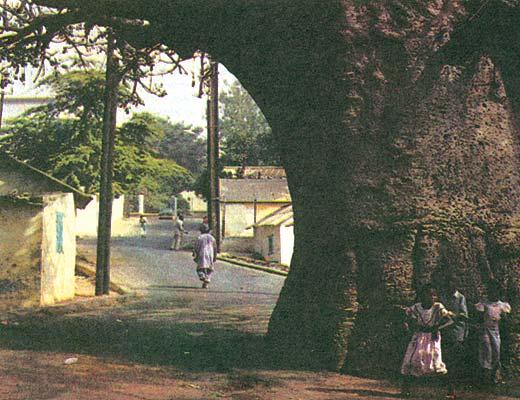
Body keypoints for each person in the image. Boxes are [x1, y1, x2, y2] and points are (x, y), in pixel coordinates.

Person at [401, 284, 453, 397]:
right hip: (418, 336)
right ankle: (406, 390)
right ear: (422, 295)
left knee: (436, 362)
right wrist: (408, 327)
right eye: (429, 294)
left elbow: (450, 321)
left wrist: (437, 328)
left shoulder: (438, 307)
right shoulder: (416, 307)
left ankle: (450, 391)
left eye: (434, 295)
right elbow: (405, 317)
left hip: (432, 337)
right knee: (410, 360)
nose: (432, 297)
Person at [475, 280, 511, 386]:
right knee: (486, 351)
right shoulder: (484, 304)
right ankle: (485, 377)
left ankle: (495, 376)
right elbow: (479, 318)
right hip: (485, 330)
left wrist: (503, 318)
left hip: (496, 331)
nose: (493, 293)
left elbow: (505, 321)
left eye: (495, 291)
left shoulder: (502, 305)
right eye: (491, 290)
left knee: (496, 352)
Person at [440, 278, 469, 398]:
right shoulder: (443, 297)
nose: (450, 287)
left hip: (456, 332)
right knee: (445, 359)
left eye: (452, 284)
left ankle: (452, 387)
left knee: (454, 360)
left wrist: (453, 316)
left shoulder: (460, 298)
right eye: (448, 285)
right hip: (444, 331)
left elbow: (464, 316)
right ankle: (447, 384)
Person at [193, 224, 217, 289]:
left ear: (201, 231)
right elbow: (215, 248)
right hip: (210, 254)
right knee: (209, 269)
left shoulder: (200, 237)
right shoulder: (212, 238)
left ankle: (202, 275)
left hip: (202, 253)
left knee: (200, 268)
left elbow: (196, 247)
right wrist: (215, 256)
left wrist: (195, 254)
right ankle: (206, 281)